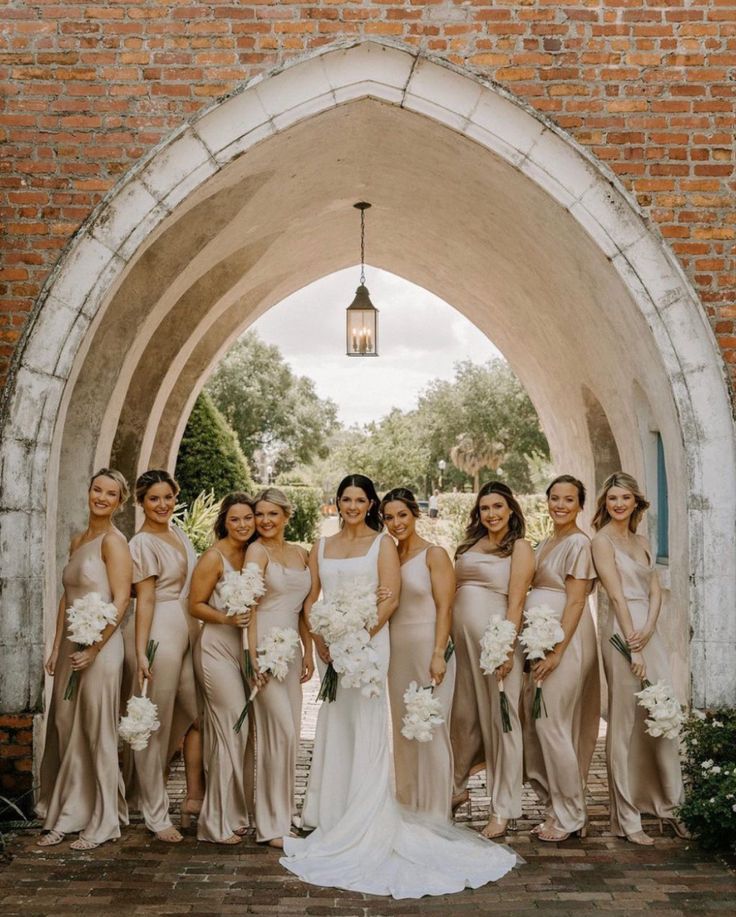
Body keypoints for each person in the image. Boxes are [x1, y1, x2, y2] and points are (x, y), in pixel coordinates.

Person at [280, 474, 518, 898]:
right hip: (333, 646)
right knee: (337, 722)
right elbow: (311, 598)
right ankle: (329, 809)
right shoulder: (321, 546)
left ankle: (414, 809)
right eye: (345, 499)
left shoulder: (383, 544)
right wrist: (320, 638)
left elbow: (388, 599)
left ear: (368, 503)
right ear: (336, 503)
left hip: (370, 645)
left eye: (360, 500)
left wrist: (358, 635)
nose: (352, 506)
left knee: (387, 725)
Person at [37, 468, 133, 849]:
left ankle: (104, 820)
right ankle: (69, 812)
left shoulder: (114, 542)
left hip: (102, 649)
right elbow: (68, 595)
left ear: (119, 502)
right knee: (63, 725)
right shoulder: (79, 539)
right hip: (70, 648)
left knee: (96, 730)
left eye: (111, 494)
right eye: (97, 489)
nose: (102, 498)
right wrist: (57, 645)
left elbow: (121, 599)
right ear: (89, 491)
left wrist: (95, 648)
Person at [591, 472, 688, 843]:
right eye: (612, 498)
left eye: (625, 498)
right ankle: (627, 818)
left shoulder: (643, 540)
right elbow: (616, 596)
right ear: (606, 503)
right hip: (623, 632)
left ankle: (671, 807)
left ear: (636, 503)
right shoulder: (602, 542)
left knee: (664, 717)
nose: (618, 504)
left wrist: (650, 629)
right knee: (625, 725)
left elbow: (655, 589)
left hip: (650, 630)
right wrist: (634, 644)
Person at [450, 482, 534, 838]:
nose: (491, 514)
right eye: (485, 508)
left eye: (498, 506)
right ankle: (455, 789)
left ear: (511, 509)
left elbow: (516, 602)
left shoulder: (520, 548)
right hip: (462, 646)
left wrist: (506, 648)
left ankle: (502, 809)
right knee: (463, 716)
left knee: (503, 724)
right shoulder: (469, 545)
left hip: (497, 644)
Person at [124, 470, 203, 842]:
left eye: (168, 497)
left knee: (193, 711)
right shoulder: (141, 544)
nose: (162, 505)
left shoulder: (178, 532)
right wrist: (142, 651)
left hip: (187, 628)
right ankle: (155, 815)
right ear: (141, 502)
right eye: (154, 499)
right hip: (159, 630)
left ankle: (150, 789)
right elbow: (146, 600)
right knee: (152, 721)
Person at [522, 474, 600, 843]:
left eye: (569, 500)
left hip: (567, 642)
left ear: (581, 505)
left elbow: (575, 601)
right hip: (543, 640)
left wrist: (555, 651)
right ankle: (561, 807)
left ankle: (570, 815)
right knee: (545, 725)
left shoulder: (579, 544)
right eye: (555, 498)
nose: (560, 505)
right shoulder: (548, 541)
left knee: (552, 724)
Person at [381, 487, 455, 821]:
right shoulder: (387, 558)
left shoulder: (434, 554)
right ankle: (408, 806)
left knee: (432, 727)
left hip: (429, 646)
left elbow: (445, 608)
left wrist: (439, 652)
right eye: (389, 517)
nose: (396, 523)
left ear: (415, 514)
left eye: (402, 515)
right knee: (404, 729)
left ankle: (437, 811)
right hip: (397, 652)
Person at [246, 488, 313, 848]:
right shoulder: (256, 552)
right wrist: (252, 656)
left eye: (273, 514)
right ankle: (270, 824)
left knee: (291, 736)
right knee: (279, 732)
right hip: (265, 646)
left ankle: (284, 814)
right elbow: (249, 607)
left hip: (292, 646)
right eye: (260, 515)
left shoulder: (302, 553)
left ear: (286, 516)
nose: (265, 521)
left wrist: (309, 652)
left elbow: (304, 609)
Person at [189, 492, 256, 845]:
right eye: (235, 519)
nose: (243, 525)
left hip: (244, 650)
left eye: (248, 518)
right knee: (231, 727)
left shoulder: (255, 554)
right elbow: (194, 604)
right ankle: (213, 823)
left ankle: (235, 813)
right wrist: (227, 617)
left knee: (241, 732)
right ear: (224, 522)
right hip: (215, 646)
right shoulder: (213, 557)